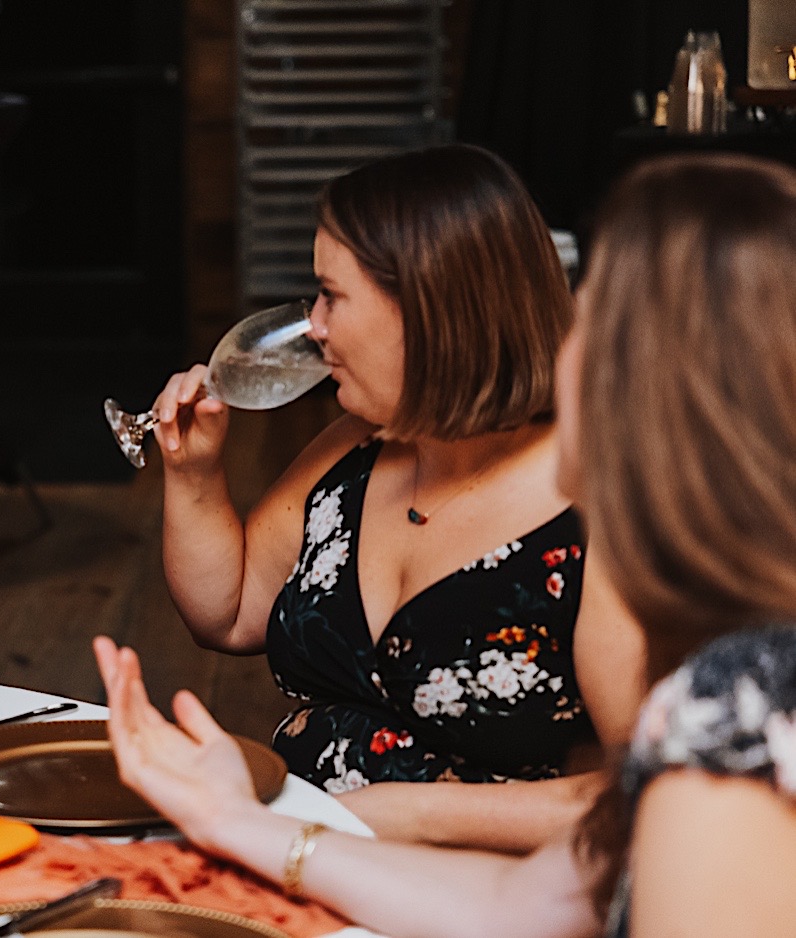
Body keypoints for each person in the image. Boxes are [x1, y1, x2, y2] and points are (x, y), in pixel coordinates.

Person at [96, 151, 796, 937]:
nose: (556, 347)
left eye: (589, 324)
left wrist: (377, 815)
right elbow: (519, 906)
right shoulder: (708, 702)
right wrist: (235, 821)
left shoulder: (739, 721)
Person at [153, 143, 637, 849]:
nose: (313, 325)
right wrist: (193, 477)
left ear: (429, 307)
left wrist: (397, 814)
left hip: (478, 895)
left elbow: (645, 791)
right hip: (296, 859)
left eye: (332, 296)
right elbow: (227, 615)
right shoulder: (356, 447)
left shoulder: (597, 504)